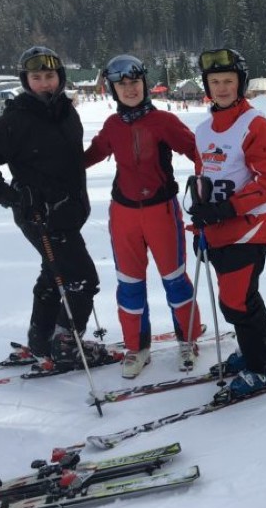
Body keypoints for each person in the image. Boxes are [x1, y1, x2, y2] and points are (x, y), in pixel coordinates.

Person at [0, 46, 101, 364]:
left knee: (54, 276)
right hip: (41, 216)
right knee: (82, 280)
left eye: (50, 76)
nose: (44, 83)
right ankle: (67, 345)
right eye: (36, 77)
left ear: (60, 78)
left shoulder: (66, 111)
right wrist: (11, 196)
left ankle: (42, 341)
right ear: (26, 81)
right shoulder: (17, 120)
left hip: (68, 212)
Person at [85, 54, 202, 378]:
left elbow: (197, 151)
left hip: (161, 213)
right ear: (113, 90)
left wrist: (211, 184)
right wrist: (56, 173)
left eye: (135, 82)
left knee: (175, 280)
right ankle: (137, 348)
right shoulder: (112, 126)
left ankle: (188, 340)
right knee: (129, 284)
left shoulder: (163, 121)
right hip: (123, 215)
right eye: (122, 85)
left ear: (144, 84)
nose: (130, 89)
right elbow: (91, 155)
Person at [188, 48, 266, 399]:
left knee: (237, 301)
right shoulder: (202, 131)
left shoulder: (256, 126)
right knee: (239, 298)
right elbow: (205, 175)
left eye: (229, 81)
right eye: (215, 82)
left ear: (241, 84)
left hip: (248, 228)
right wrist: (200, 217)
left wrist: (227, 208)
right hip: (216, 230)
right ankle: (253, 348)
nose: (222, 88)